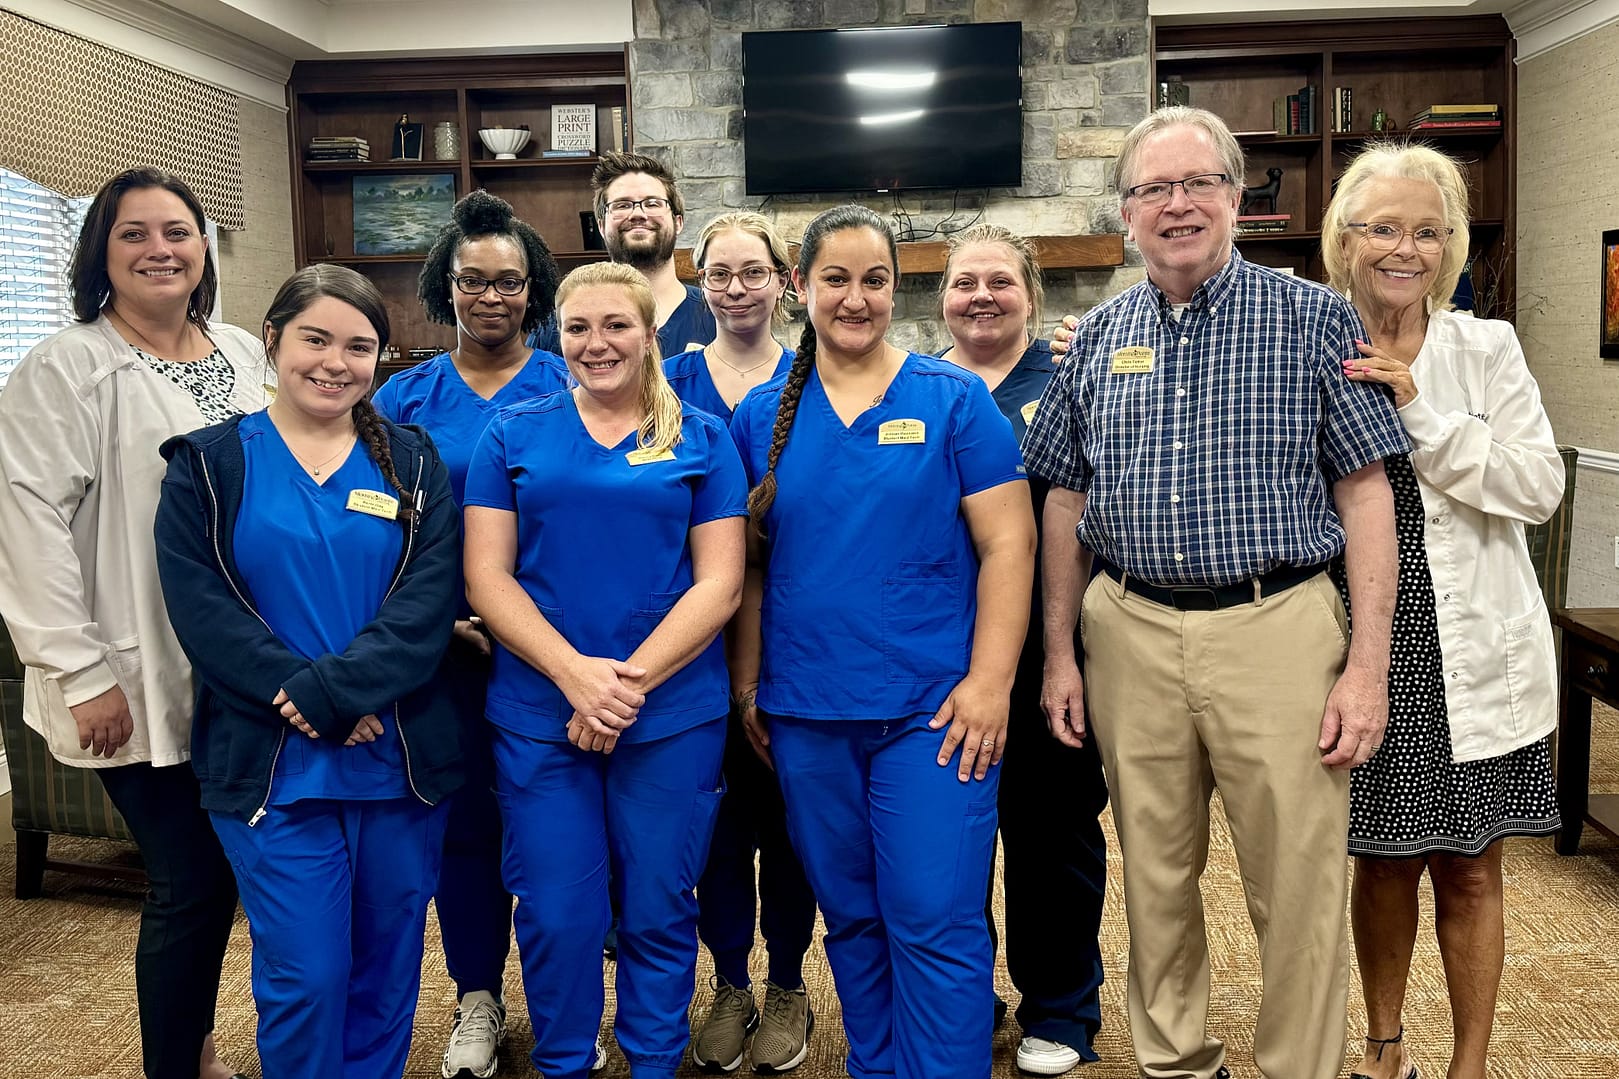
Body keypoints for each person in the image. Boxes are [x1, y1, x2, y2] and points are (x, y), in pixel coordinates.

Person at [1022, 106, 1408, 1079]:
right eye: (1153, 188)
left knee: (1296, 881)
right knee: (1152, 876)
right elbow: (1063, 497)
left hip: (1276, 624)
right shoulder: (1095, 338)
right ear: (1125, 213)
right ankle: (1176, 1061)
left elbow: (1366, 493)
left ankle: (1298, 1067)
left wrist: (1367, 667)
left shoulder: (1314, 317)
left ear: (1235, 197)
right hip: (1128, 630)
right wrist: (1060, 653)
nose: (1177, 204)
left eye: (1198, 182)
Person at [730, 204, 1036, 1079]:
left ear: (897, 289)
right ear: (800, 286)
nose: (855, 298)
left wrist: (990, 683)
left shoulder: (954, 401)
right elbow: (748, 566)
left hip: (933, 713)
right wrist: (748, 685)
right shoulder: (761, 415)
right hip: (806, 710)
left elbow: (1008, 544)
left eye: (874, 280)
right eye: (836, 278)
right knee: (854, 916)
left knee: (933, 915)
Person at [153, 264, 464, 1079]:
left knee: (386, 972)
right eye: (315, 339)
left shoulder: (414, 462)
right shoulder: (209, 465)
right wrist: (314, 700)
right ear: (273, 339)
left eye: (358, 346)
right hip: (273, 762)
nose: (335, 362)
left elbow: (427, 601)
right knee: (308, 975)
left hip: (395, 760)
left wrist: (340, 693)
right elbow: (204, 610)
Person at [0, 166, 267, 1079]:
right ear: (99, 254)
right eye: (134, 234)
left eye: (177, 231)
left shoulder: (243, 352)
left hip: (233, 662)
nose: (160, 250)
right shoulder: (65, 367)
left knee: (219, 875)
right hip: (129, 668)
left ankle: (195, 1049)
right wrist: (80, 673)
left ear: (203, 248)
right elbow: (26, 528)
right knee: (190, 878)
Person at [463, 260, 746, 1079]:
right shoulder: (511, 433)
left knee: (658, 904)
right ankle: (564, 1062)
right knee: (558, 910)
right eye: (578, 328)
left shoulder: (701, 436)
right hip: (539, 712)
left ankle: (653, 1060)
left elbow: (721, 583)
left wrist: (624, 685)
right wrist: (573, 677)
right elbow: (487, 575)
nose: (597, 343)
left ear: (650, 333)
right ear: (557, 335)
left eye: (616, 325)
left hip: (670, 714)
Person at [1323, 144, 1563, 1079]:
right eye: (1383, 228)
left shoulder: (1484, 348)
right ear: (1345, 238)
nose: (1405, 249)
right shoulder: (1313, 337)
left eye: (1427, 232)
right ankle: (1383, 1047)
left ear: (1449, 246)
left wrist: (1420, 410)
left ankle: (1468, 1063)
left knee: (1469, 864)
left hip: (1472, 646)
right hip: (1361, 645)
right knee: (1381, 859)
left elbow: (1535, 486)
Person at [370, 188, 566, 1079]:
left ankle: (565, 1005)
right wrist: (434, 621)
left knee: (559, 836)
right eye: (472, 280)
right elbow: (373, 527)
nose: (491, 296)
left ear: (534, 289)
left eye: (509, 281)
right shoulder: (403, 397)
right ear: (443, 286)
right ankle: (478, 994)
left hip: (553, 654)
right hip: (443, 654)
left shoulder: (571, 382)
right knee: (466, 833)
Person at [936, 224, 1108, 1077]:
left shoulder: (1071, 377)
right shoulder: (916, 386)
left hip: (1051, 650)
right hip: (943, 657)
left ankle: (1061, 1007)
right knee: (946, 844)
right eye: (964, 281)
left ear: (1033, 297)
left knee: (1050, 838)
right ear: (941, 300)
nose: (981, 296)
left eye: (999, 281)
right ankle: (963, 999)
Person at [667, 211, 815, 1075]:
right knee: (714, 832)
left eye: (752, 272)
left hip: (788, 645)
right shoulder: (666, 380)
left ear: (782, 281)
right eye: (718, 273)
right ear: (699, 280)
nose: (734, 289)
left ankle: (788, 983)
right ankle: (730, 983)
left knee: (789, 827)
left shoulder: (815, 378)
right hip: (682, 649)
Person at [532, 151, 716, 359]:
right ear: (601, 226)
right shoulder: (562, 320)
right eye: (622, 205)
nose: (638, 214)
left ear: (678, 222)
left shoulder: (718, 314)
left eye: (652, 203)